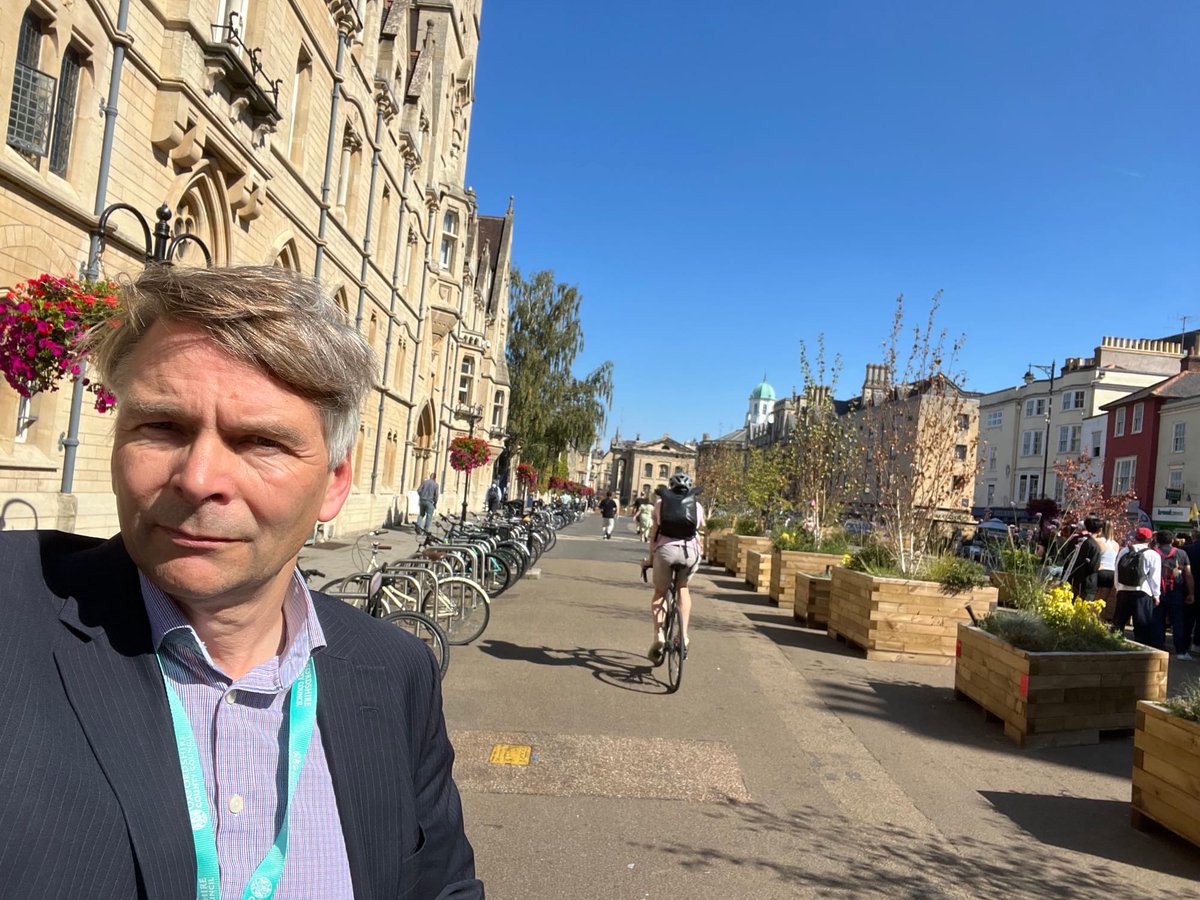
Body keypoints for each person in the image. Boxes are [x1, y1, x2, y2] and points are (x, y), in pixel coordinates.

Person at [0, 267, 480, 899]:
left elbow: (441, 887)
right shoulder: (14, 613)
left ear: (334, 483)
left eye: (258, 441)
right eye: (163, 427)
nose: (199, 479)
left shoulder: (396, 673)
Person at [641, 473, 705, 662]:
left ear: (670, 488)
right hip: (689, 553)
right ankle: (683, 636)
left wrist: (650, 560)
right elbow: (701, 529)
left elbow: (654, 535)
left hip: (665, 551)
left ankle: (659, 634)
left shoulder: (661, 504)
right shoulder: (697, 506)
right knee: (683, 588)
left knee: (660, 593)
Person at [1113, 527, 1162, 647]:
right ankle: (1141, 651)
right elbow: (1154, 577)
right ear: (1150, 539)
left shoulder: (1124, 551)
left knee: (1118, 624)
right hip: (1142, 593)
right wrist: (1156, 595)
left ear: (1135, 537)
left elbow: (1117, 571)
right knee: (1142, 626)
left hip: (1124, 591)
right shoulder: (1153, 555)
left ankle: (1113, 646)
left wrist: (1118, 588)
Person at [1152, 530, 1194, 659]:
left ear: (1157, 540)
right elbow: (1188, 574)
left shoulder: (1153, 553)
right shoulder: (1181, 553)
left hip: (1157, 591)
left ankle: (1157, 648)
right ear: (1172, 541)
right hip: (1176, 591)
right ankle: (1181, 651)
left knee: (1157, 620)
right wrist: (1191, 593)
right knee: (1178, 622)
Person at [1061, 516, 1103, 600]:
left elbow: (1066, 555)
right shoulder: (1094, 546)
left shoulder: (1075, 540)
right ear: (1100, 530)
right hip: (1087, 583)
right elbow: (1093, 567)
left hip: (1072, 579)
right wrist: (1100, 566)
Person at [1094, 521, 1121, 622]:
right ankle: (1101, 619)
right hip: (1111, 573)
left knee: (1095, 598)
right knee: (1104, 599)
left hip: (1100, 570)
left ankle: (1094, 618)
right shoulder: (1116, 544)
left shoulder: (1098, 541)